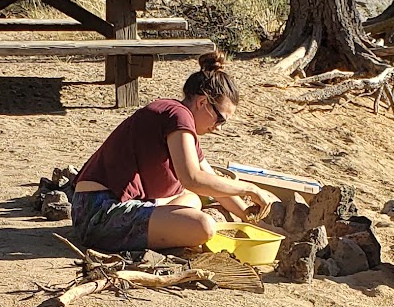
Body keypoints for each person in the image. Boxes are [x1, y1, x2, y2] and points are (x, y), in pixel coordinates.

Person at [70, 52, 261, 256]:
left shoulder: (181, 121)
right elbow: (193, 178)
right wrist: (250, 189)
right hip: (99, 212)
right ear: (203, 102)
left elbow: (212, 184)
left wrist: (253, 222)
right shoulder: (178, 116)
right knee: (204, 226)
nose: (219, 128)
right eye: (220, 119)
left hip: (107, 208)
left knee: (193, 199)